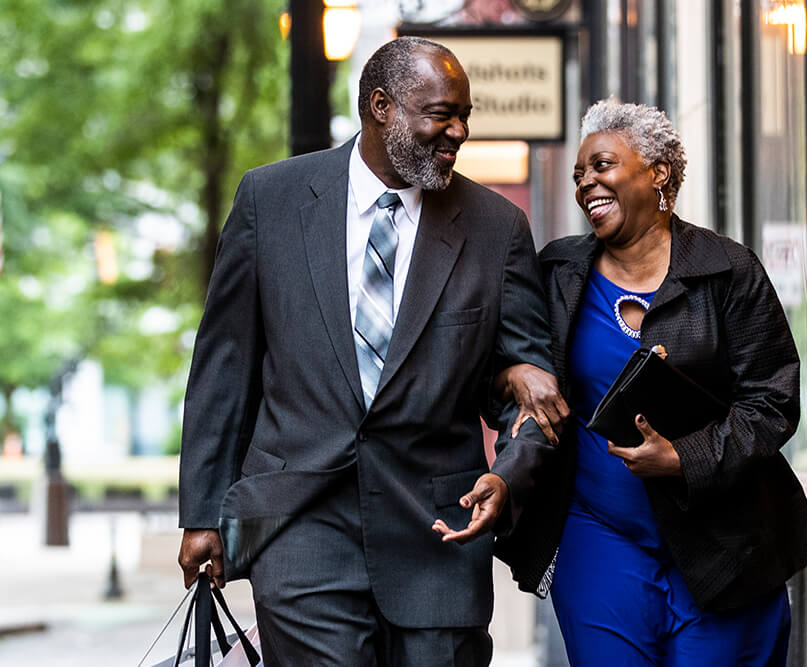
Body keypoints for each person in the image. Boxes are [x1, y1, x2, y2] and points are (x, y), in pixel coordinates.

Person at [176, 36, 561, 666]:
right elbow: (225, 367)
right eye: (441, 114)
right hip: (299, 524)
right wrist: (201, 511)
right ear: (382, 106)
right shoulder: (268, 201)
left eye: (465, 115)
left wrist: (510, 473)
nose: (459, 131)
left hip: (439, 529)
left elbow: (530, 389)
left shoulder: (496, 227)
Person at [494, 99, 807, 666]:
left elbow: (773, 400)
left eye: (601, 165)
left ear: (658, 173)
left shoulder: (728, 270)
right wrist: (512, 372)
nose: (586, 184)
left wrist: (684, 458)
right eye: (578, 175)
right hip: (598, 535)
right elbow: (502, 362)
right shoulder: (557, 273)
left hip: (724, 544)